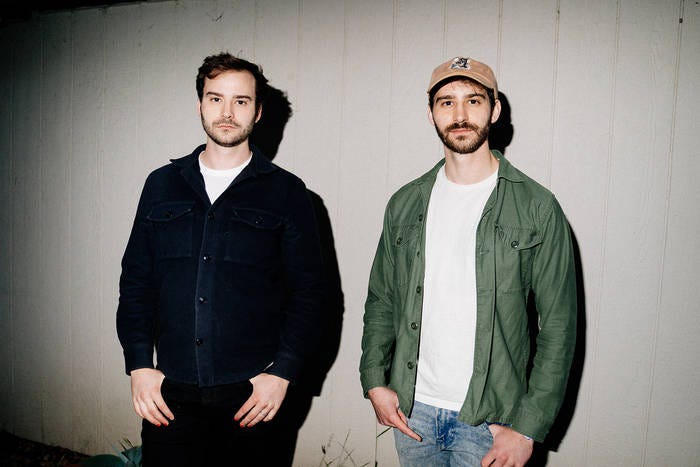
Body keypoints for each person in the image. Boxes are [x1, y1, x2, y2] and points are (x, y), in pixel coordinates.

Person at [359, 56, 577, 467]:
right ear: (431, 114)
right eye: (447, 102)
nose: (460, 115)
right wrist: (374, 380)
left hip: (492, 420)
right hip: (413, 411)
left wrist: (527, 427)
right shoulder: (404, 204)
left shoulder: (537, 207)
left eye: (473, 100)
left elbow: (559, 328)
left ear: (494, 110)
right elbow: (382, 301)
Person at [116, 52, 324, 467]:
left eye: (240, 101)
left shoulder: (288, 193)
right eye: (216, 99)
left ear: (258, 111)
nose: (227, 112)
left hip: (252, 398)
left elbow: (311, 293)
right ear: (200, 105)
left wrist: (282, 373)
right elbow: (136, 282)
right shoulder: (160, 185)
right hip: (170, 397)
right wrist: (139, 365)